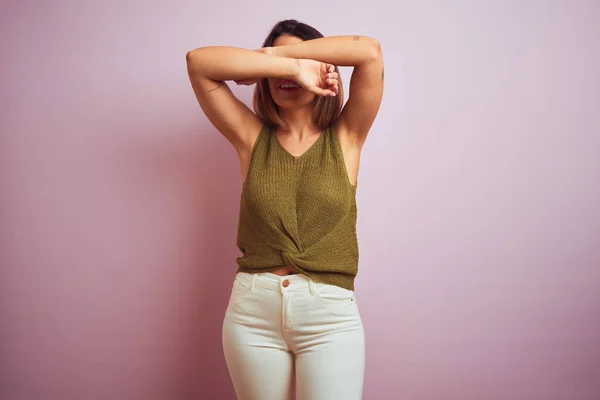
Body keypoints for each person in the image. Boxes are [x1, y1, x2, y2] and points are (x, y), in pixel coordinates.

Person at [186, 19, 383, 400]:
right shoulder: (251, 137)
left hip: (329, 318)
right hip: (252, 315)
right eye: (273, 71)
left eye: (306, 59)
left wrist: (284, 55)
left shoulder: (347, 137)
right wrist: (290, 66)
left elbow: (370, 52)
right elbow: (198, 62)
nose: (286, 77)